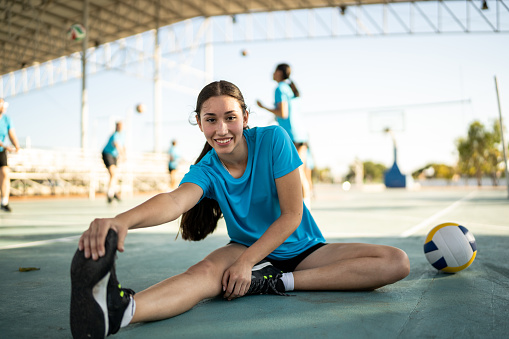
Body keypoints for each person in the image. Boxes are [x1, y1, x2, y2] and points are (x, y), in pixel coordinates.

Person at [70, 81, 410, 338]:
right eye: (211, 119)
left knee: (396, 262)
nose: (221, 129)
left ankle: (278, 282)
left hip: (302, 249)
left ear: (245, 117)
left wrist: (250, 266)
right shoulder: (206, 168)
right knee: (201, 275)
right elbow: (175, 201)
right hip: (244, 246)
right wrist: (121, 220)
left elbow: (291, 215)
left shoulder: (274, 140)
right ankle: (122, 311)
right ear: (200, 124)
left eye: (230, 118)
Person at [256, 63, 311, 207]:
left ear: (280, 73)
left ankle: (302, 211)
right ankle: (306, 209)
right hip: (301, 136)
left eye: (275, 70)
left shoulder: (280, 88)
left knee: (295, 174)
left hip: (293, 137)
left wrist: (263, 107)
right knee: (300, 174)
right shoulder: (291, 89)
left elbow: (283, 113)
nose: (272, 73)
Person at [0, 99, 20, 212]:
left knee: (5, 173)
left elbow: (11, 134)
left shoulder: (7, 119)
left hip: (1, 151)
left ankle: (4, 201)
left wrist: (16, 145)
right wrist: (5, 145)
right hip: (3, 147)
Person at [102, 121, 125, 203]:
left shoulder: (122, 136)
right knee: (113, 174)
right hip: (107, 154)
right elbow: (117, 144)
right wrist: (122, 154)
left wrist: (124, 155)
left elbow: (123, 146)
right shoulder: (115, 135)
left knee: (114, 175)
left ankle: (113, 191)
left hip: (114, 156)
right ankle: (110, 193)